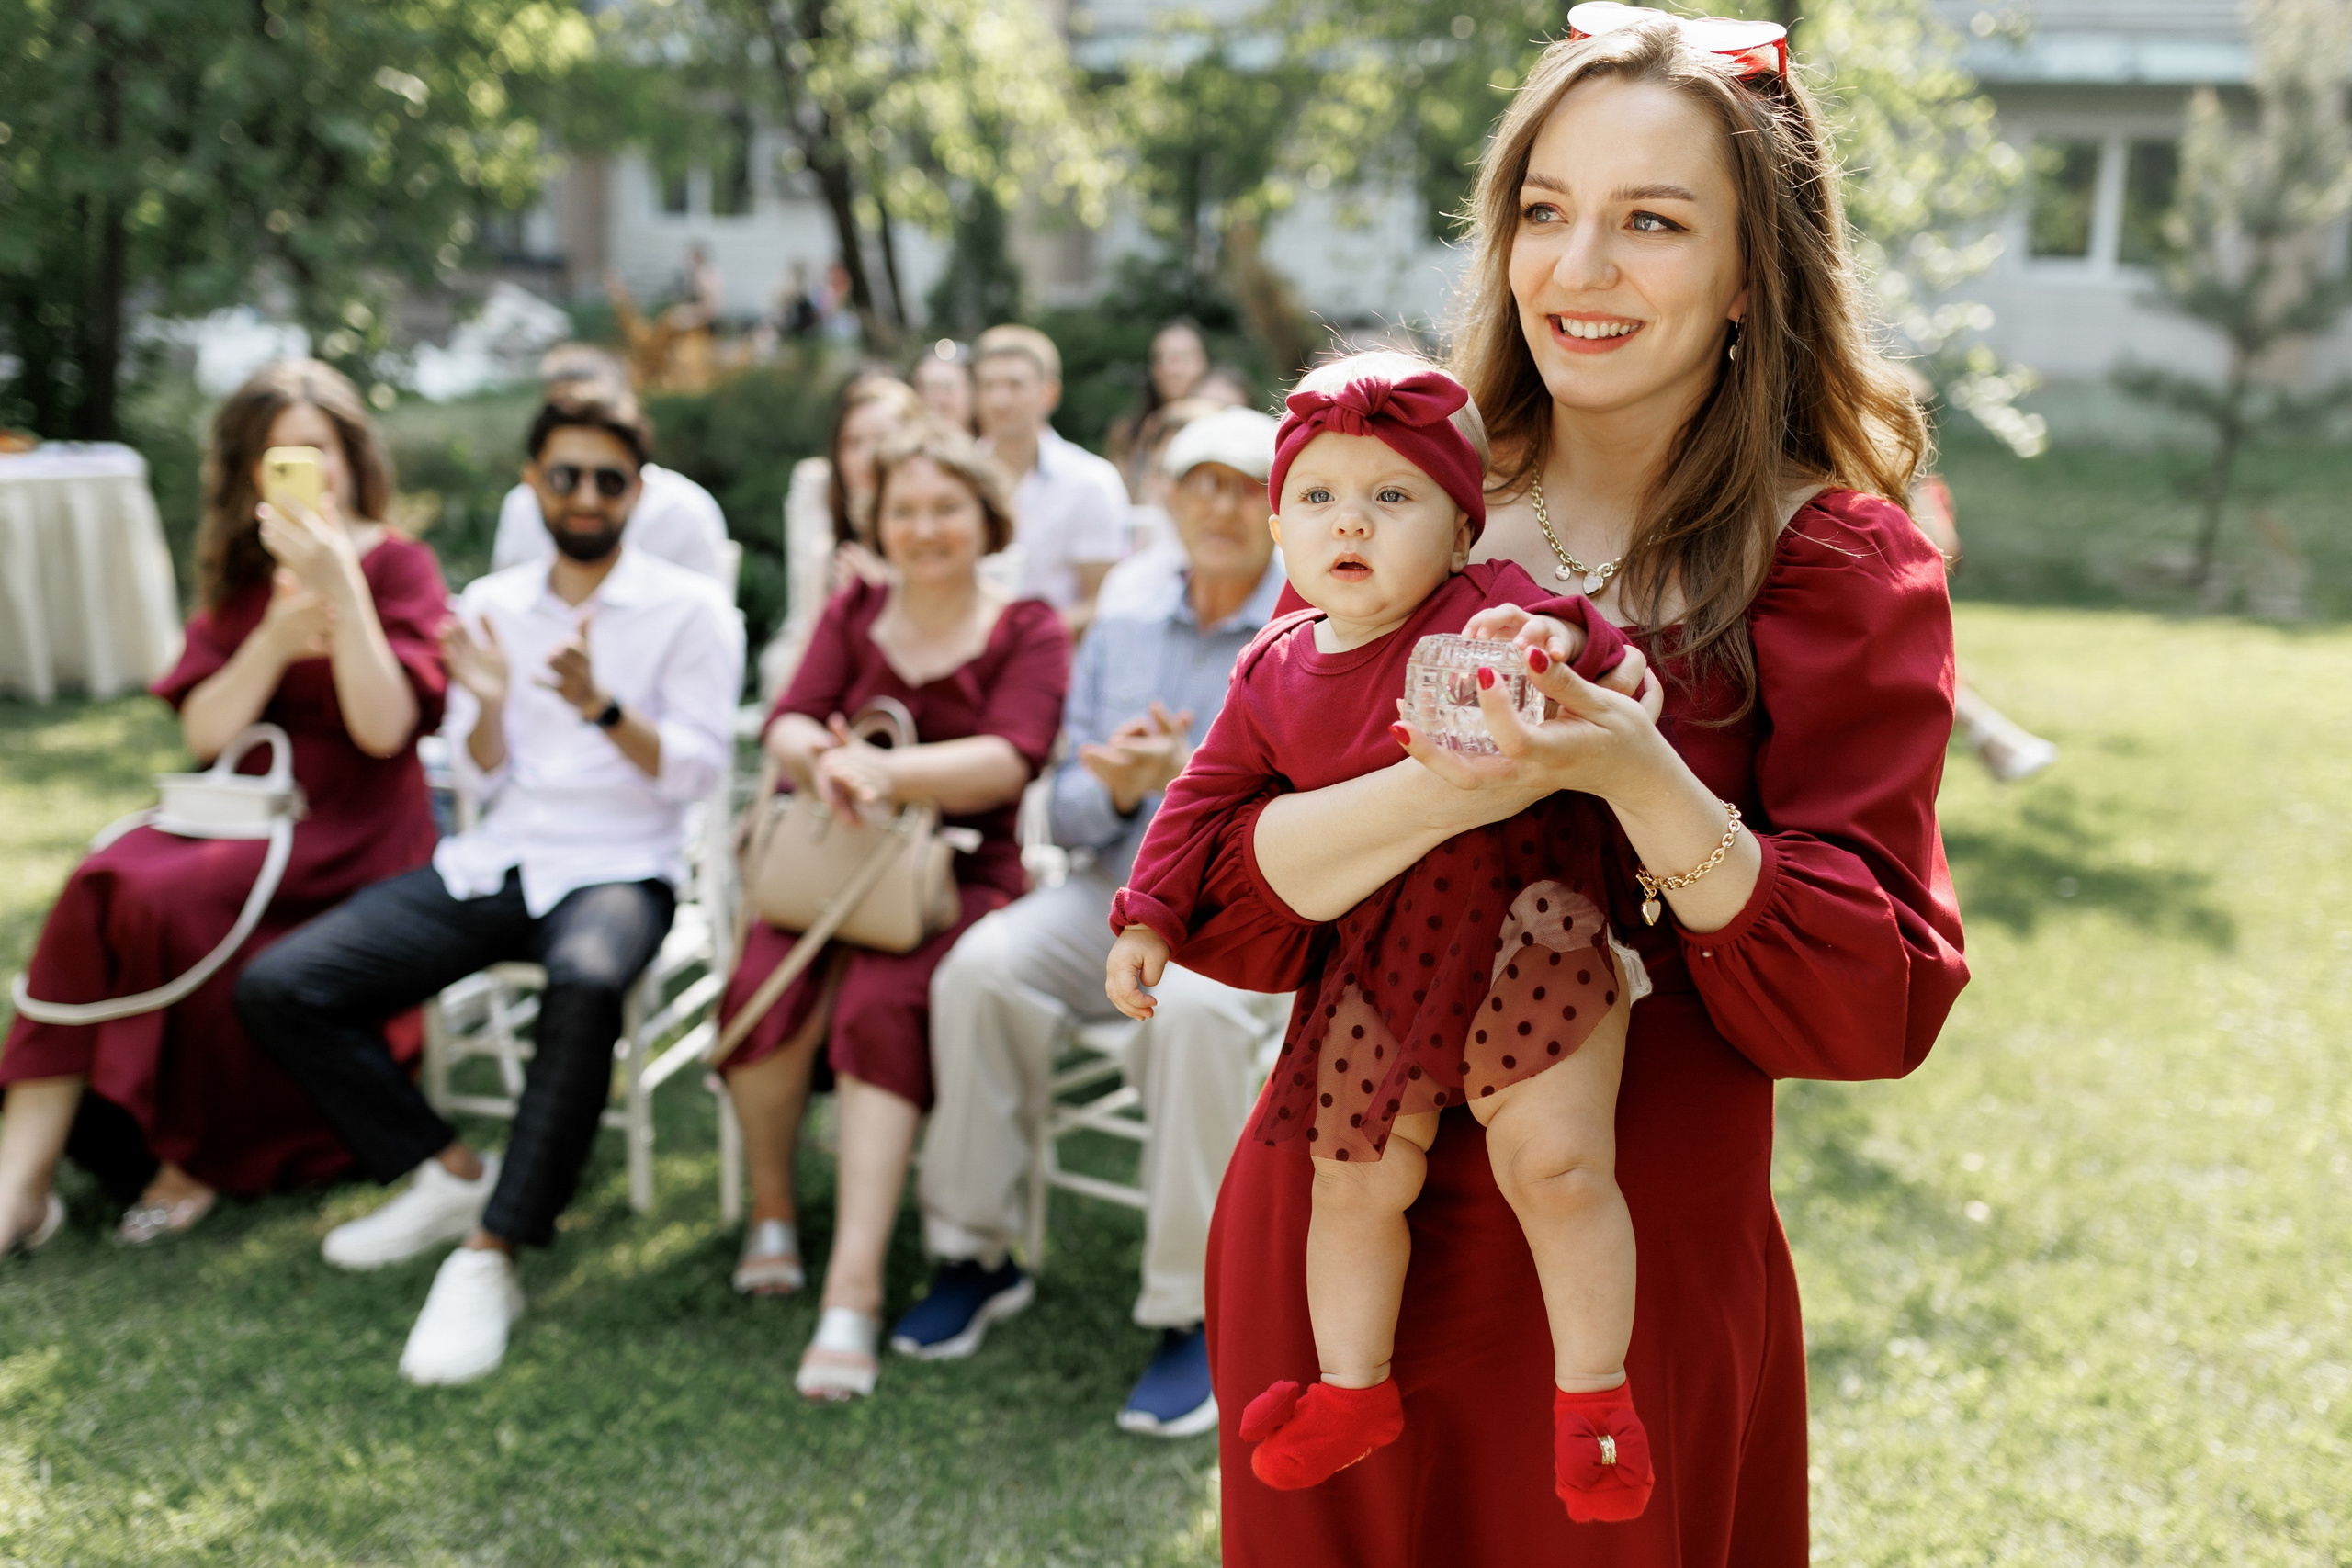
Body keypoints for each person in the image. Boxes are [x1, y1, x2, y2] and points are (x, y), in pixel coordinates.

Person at [1162, 13, 1969, 1562]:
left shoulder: (1832, 564)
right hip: (1339, 1241)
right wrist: (1447, 791)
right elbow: (1222, 895)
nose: (1576, 268)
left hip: (1619, 1280)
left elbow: (1868, 1004)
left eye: (1650, 222)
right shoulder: (1390, 495)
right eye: (1545, 210)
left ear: (1752, 276)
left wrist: (1634, 771)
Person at [1105, 354, 1651, 1517]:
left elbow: (1586, 647)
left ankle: (1594, 1399)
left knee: (1555, 1165)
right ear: (1279, 532)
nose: (1349, 519)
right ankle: (1353, 1392)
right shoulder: (1271, 670)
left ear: (1461, 530)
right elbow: (1200, 799)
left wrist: (1570, 650)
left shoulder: (1484, 608)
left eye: (1391, 498)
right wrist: (1145, 915)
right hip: (1381, 959)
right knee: (1350, 1180)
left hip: (1526, 932)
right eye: (1318, 499)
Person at [235, 385, 742, 1386]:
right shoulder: (492, 605)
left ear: (637, 491)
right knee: (282, 985)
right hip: (499, 856)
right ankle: (448, 1171)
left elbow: (694, 775)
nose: (586, 495)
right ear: (534, 482)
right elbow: (477, 777)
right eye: (567, 475)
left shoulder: (693, 611)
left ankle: (493, 1252)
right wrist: (493, 705)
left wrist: (601, 707)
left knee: (587, 983)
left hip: (621, 862)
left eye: (608, 478)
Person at [897, 406, 1292, 1439]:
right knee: (978, 972)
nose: (1218, 504)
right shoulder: (1122, 614)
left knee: (1199, 1023)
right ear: (1164, 498)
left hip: (1244, 918)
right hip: (1109, 892)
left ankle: (1190, 1313)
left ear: (1281, 504)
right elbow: (1065, 809)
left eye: (1244, 484)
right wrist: (1115, 789)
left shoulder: (1304, 627)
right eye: (1198, 482)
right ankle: (974, 1253)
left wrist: (1197, 794)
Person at [0, 360, 447, 1252]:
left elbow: (383, 727)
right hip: (245, 807)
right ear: (250, 473)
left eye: (316, 452)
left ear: (351, 457)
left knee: (181, 901)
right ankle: (21, 1178)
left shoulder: (399, 565)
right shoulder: (244, 576)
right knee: (104, 877)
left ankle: (190, 1157)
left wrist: (342, 590)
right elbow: (205, 730)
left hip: (354, 824)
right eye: (278, 457)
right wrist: (278, 637)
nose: (302, 471)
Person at [718, 423, 1069, 1404]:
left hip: (957, 880)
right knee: (757, 986)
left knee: (880, 1004)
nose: (924, 528)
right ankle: (774, 1212)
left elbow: (1012, 756)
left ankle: (853, 1287)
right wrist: (823, 763)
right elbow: (786, 717)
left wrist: (885, 770)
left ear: (984, 517)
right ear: (876, 522)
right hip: (833, 865)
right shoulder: (854, 606)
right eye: (904, 509)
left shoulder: (1027, 625)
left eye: (945, 507)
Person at [490, 345, 729, 582]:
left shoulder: (685, 509)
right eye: (561, 410)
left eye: (593, 405)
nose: (587, 500)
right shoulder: (522, 504)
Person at [764, 374, 926, 699]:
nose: (865, 457)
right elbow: (807, 666)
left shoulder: (936, 542)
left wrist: (883, 593)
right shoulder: (827, 555)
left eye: (882, 439)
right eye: (852, 444)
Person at [973, 323, 1131, 632]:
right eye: (987, 385)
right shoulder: (957, 476)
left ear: (1050, 393)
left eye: (1014, 385)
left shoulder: (1090, 482)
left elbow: (1106, 599)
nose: (999, 399)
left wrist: (1027, 639)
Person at [1910, 475, 2059, 782]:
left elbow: (1940, 554)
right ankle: (1992, 736)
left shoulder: (1920, 481)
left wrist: (1912, 480)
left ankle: (1991, 736)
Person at [1109, 318, 1213, 494]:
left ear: (1203, 362)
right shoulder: (1128, 432)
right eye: (1164, 359)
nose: (1173, 369)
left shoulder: (1217, 420)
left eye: (1184, 358)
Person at [910, 339, 979, 435]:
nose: (940, 398)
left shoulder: (993, 446)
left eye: (948, 387)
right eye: (930, 388)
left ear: (972, 391)